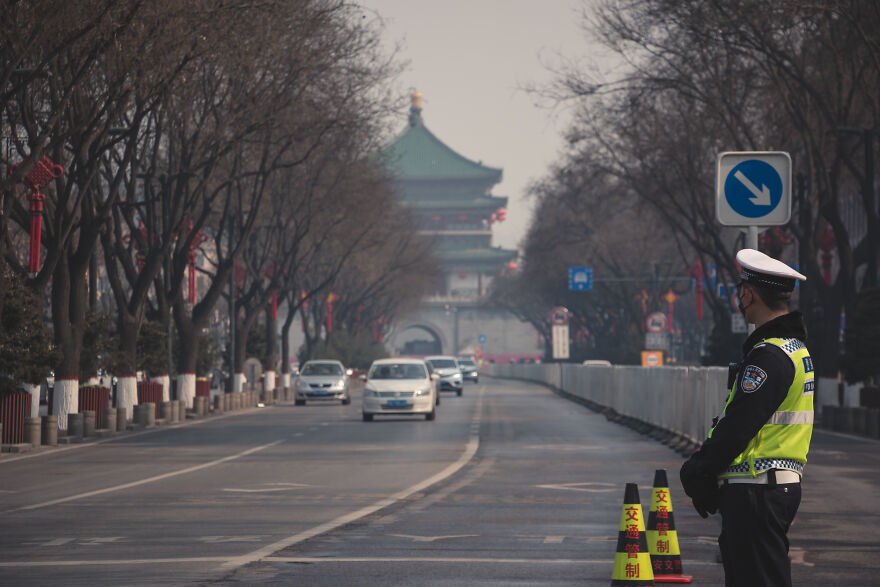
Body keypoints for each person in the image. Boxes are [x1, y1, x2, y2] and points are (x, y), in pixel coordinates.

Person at [680, 248, 814, 587]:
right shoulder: (795, 350)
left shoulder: (768, 356)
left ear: (747, 294)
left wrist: (698, 469)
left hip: (757, 491)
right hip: (772, 488)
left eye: (741, 290)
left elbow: (740, 424)